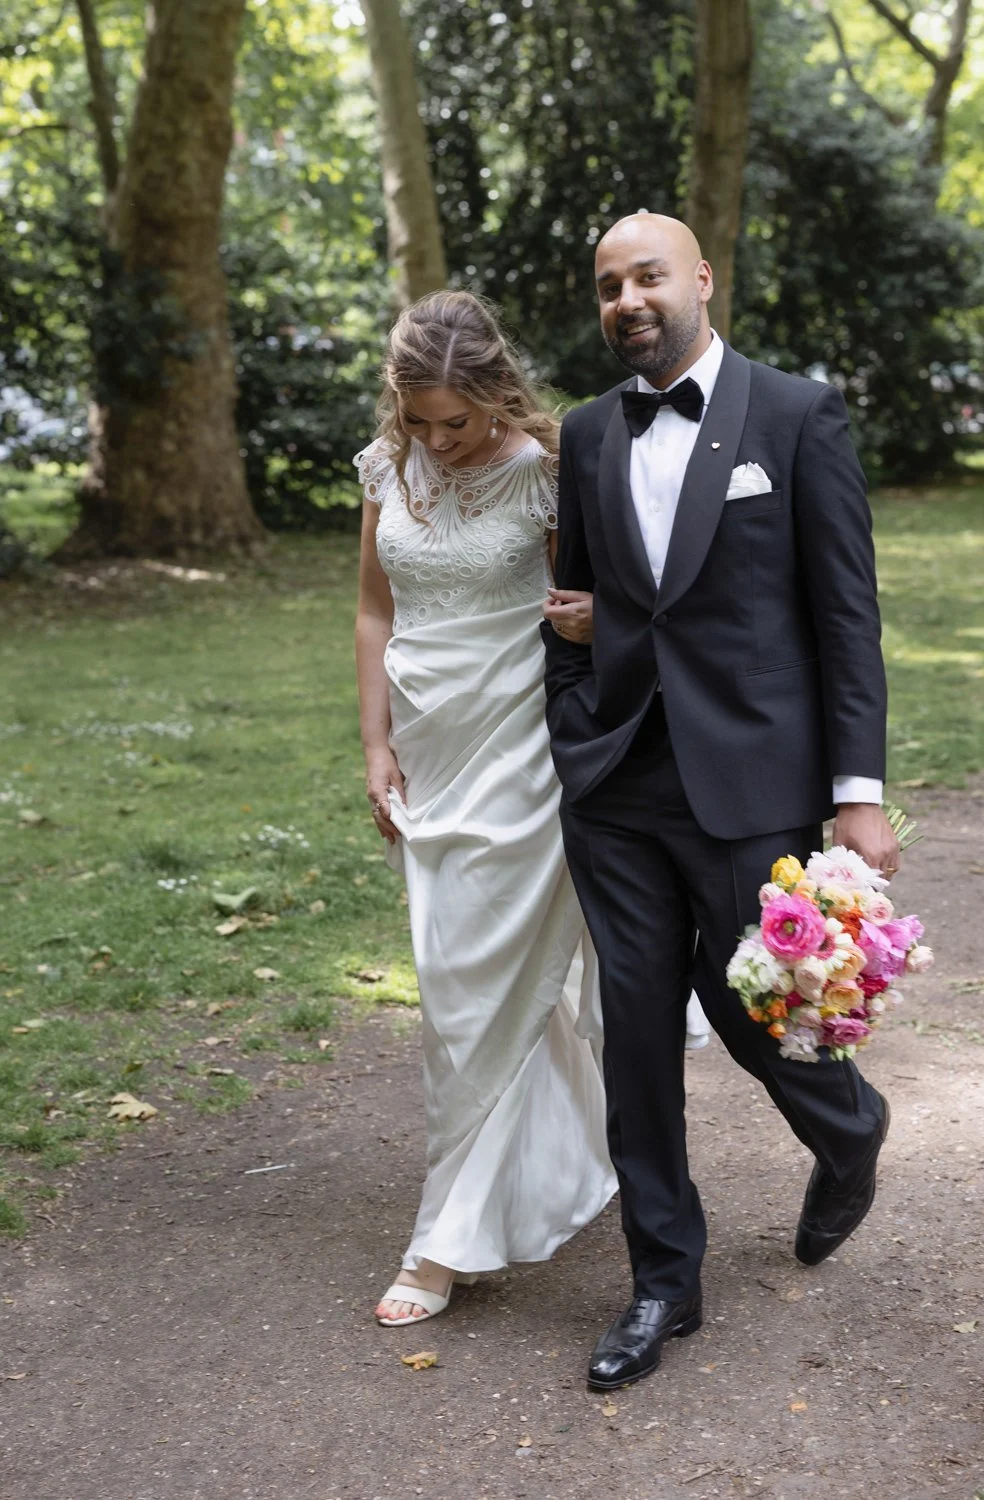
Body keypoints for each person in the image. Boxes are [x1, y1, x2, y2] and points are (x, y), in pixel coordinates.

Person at [543, 214, 900, 1392]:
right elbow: (574, 605)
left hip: (748, 777)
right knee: (636, 1028)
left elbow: (844, 615)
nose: (627, 301)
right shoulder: (586, 433)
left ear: (699, 279)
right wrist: (573, 722)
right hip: (614, 782)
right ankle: (662, 1280)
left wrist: (855, 795)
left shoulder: (797, 415)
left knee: (755, 1004)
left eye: (647, 276)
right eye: (608, 285)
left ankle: (846, 1128)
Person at [353, 289, 619, 1327]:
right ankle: (562, 1161)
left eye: (454, 421)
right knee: (455, 979)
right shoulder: (386, 470)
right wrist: (376, 744)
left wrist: (592, 624)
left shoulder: (547, 475)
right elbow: (374, 610)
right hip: (427, 748)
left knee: (479, 988)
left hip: (521, 748)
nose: (436, 440)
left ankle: (442, 1240)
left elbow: (587, 614)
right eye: (417, 420)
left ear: (497, 393)